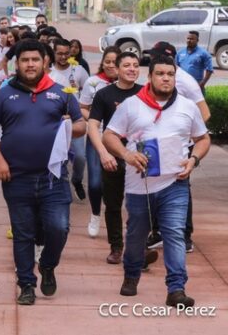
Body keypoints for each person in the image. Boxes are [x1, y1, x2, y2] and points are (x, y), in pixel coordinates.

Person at [0, 39, 86, 305]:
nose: (29, 64)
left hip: (54, 177)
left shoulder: (62, 93)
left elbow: (82, 125)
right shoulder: (5, 94)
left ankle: (48, 264)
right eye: (24, 60)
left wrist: (67, 128)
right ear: (17, 63)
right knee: (23, 232)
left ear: (45, 62)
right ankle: (26, 283)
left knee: (59, 228)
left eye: (35, 60)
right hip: (16, 178)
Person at [103, 56, 209, 308]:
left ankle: (176, 289)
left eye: (170, 74)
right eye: (160, 73)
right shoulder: (131, 105)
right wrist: (127, 154)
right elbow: (109, 136)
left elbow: (203, 139)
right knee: (137, 233)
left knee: (174, 232)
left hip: (176, 182)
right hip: (140, 184)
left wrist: (193, 159)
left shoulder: (187, 106)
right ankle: (131, 275)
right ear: (149, 77)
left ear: (175, 77)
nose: (165, 78)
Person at [144, 41, 211, 252]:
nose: (153, 61)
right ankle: (159, 232)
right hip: (158, 142)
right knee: (154, 183)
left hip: (182, 145)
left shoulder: (185, 81)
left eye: (156, 56)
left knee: (181, 187)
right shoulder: (158, 78)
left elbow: (205, 113)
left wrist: (187, 138)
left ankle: (185, 236)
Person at [88, 52, 150, 266]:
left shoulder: (146, 93)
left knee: (140, 205)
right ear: (116, 68)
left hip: (141, 157)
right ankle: (116, 247)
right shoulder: (104, 95)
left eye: (135, 65)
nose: (132, 69)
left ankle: (138, 249)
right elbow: (93, 126)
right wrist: (103, 153)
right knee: (113, 204)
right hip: (113, 156)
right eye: (127, 65)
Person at [79, 46, 120, 239]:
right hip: (97, 138)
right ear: (103, 62)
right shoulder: (93, 82)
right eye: (108, 61)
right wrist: (97, 119)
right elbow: (82, 107)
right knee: (95, 183)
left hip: (121, 142)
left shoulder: (129, 84)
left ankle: (116, 224)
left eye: (115, 61)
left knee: (118, 184)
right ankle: (95, 214)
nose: (111, 65)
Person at [49, 39, 89, 201]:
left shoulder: (78, 70)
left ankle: (77, 180)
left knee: (80, 156)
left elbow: (89, 91)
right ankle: (58, 187)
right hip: (55, 121)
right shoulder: (49, 73)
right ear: (53, 53)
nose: (64, 57)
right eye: (60, 53)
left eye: (67, 53)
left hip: (75, 120)